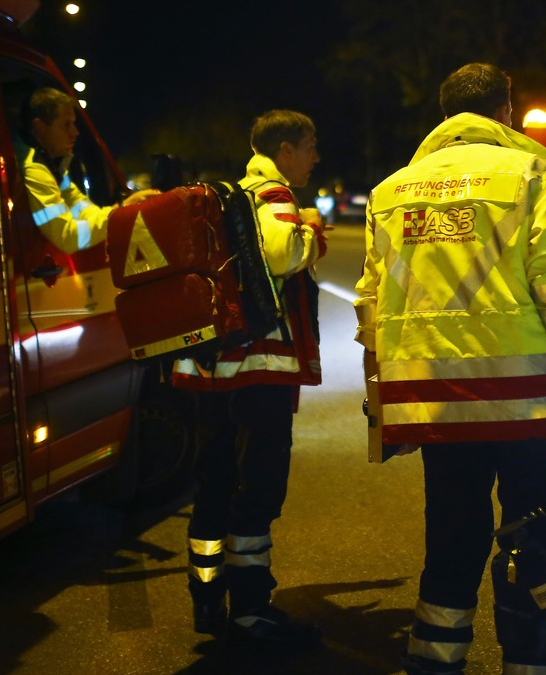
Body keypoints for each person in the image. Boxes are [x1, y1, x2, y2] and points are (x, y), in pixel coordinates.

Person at [353, 63, 546, 675]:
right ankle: (529, 664)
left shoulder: (390, 191)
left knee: (450, 541)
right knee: (534, 549)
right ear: (504, 112)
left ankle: (434, 660)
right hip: (534, 408)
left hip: (438, 406)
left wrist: (384, 409)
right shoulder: (538, 176)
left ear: (445, 115)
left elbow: (371, 309)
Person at [172, 109, 328, 646]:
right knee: (258, 487)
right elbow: (284, 255)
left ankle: (208, 597)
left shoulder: (225, 195)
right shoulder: (274, 197)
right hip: (259, 369)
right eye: (309, 146)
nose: (314, 156)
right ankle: (251, 608)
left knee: (213, 480)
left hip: (211, 367)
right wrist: (312, 230)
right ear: (284, 150)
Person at [18, 87, 159, 254]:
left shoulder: (52, 166)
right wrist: (122, 208)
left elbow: (86, 211)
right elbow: (68, 237)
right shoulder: (34, 170)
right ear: (40, 127)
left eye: (74, 124)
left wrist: (122, 210)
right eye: (66, 125)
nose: (75, 132)